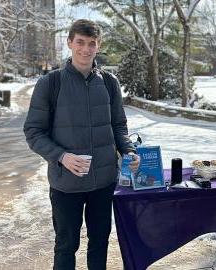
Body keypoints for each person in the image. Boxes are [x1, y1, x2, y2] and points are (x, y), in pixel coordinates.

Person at [23, 19, 139, 270]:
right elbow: (33, 131)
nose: (86, 49)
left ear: (99, 46)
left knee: (99, 243)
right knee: (66, 245)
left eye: (92, 44)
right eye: (81, 42)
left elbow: (118, 125)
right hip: (66, 183)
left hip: (104, 181)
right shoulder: (50, 83)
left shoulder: (109, 83)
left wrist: (128, 150)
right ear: (70, 43)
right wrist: (62, 156)